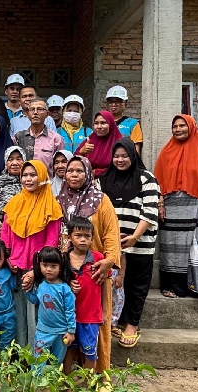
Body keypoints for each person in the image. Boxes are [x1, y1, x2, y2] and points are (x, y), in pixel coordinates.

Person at [56, 155, 120, 372]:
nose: (74, 175)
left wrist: (109, 262)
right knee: (66, 328)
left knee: (98, 325)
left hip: (96, 271)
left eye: (79, 171)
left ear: (88, 173)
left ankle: (100, 375)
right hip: (66, 272)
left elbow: (112, 234)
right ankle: (66, 377)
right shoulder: (58, 200)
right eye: (70, 171)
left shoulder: (101, 200)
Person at [99, 138, 160, 348]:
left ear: (133, 156)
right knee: (117, 284)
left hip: (140, 242)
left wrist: (135, 235)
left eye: (124, 156)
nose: (120, 160)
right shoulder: (104, 179)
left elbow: (150, 210)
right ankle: (119, 320)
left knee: (137, 284)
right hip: (112, 244)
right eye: (116, 156)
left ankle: (132, 325)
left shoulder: (147, 179)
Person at [155, 114, 198, 301]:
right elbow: (158, 180)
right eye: (175, 126)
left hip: (196, 207)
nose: (178, 129)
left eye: (182, 125)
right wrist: (159, 204)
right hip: (171, 207)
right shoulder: (166, 152)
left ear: (191, 127)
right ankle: (172, 287)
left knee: (197, 246)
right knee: (172, 248)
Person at [0, 160, 62, 347]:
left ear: (42, 176)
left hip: (39, 272)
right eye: (25, 175)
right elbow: (5, 234)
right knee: (18, 314)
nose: (28, 179)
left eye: (33, 175)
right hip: (15, 269)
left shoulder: (52, 206)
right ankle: (20, 357)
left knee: (36, 315)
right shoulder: (14, 203)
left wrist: (37, 271)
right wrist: (7, 259)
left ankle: (37, 359)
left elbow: (51, 243)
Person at [63, 217, 108, 374]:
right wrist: (68, 285)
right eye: (78, 235)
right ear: (69, 238)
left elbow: (105, 286)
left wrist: (105, 312)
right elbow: (55, 284)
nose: (83, 240)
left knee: (90, 352)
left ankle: (87, 385)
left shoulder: (98, 259)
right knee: (68, 350)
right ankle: (67, 383)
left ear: (92, 238)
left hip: (91, 316)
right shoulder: (63, 260)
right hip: (69, 317)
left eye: (87, 236)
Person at [26, 247, 75, 363]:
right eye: (45, 265)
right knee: (38, 362)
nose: (49, 269)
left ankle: (53, 381)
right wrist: (27, 289)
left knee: (56, 363)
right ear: (40, 265)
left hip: (61, 332)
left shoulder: (65, 289)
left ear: (60, 267)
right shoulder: (39, 285)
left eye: (53, 266)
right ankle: (37, 381)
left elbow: (70, 310)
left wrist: (71, 332)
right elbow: (34, 300)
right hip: (43, 330)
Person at [15, 99, 65, 172]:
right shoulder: (18, 137)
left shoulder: (56, 139)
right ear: (28, 114)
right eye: (32, 109)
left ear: (47, 114)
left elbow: (60, 166)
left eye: (39, 109)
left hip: (48, 182)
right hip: (24, 182)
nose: (35, 112)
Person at [77, 110, 124, 178]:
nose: (99, 126)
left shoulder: (120, 143)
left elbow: (123, 166)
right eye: (96, 123)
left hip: (113, 182)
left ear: (111, 124)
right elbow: (74, 163)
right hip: (88, 183)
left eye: (103, 123)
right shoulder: (89, 141)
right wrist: (81, 152)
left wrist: (96, 172)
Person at [0, 146, 26, 223]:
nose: (15, 163)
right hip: (5, 226)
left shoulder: (30, 182)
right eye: (10, 159)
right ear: (6, 162)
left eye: (19, 159)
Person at [105, 86, 144, 154]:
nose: (114, 104)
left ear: (125, 104)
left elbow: (136, 151)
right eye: (110, 101)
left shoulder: (132, 123)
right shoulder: (101, 123)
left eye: (118, 101)